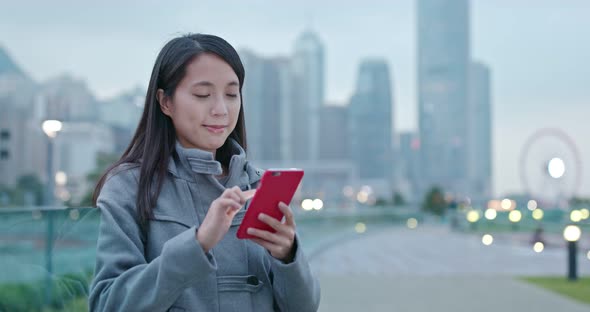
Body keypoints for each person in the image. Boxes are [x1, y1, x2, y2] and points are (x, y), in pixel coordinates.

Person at [88, 33, 320, 311]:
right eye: (202, 95)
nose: (221, 109)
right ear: (165, 102)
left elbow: (305, 307)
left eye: (232, 94)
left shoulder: (257, 184)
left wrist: (287, 256)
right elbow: (108, 304)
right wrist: (197, 244)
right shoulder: (129, 187)